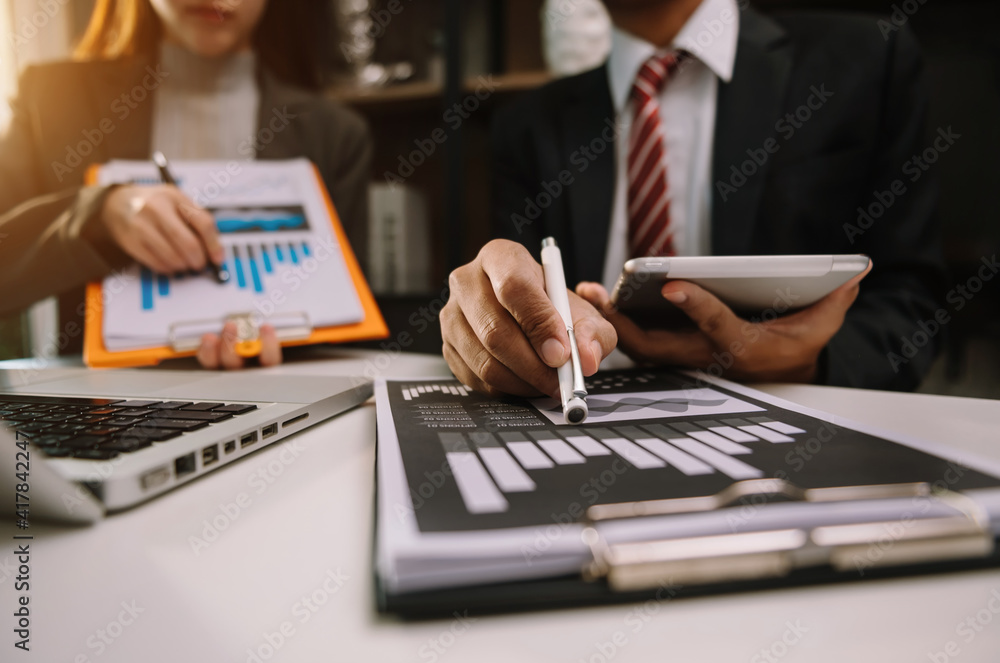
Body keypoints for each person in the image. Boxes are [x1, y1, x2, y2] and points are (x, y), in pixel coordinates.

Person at [441, 0, 946, 398]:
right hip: (596, 411)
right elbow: (514, 291)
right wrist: (490, 319)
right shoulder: (526, 126)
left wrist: (813, 361)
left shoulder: (866, 58)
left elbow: (913, 298)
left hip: (793, 413)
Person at [0, 0, 372, 368]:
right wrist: (98, 213)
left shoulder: (337, 135)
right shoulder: (53, 100)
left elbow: (339, 320)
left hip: (273, 406)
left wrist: (287, 355)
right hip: (100, 411)